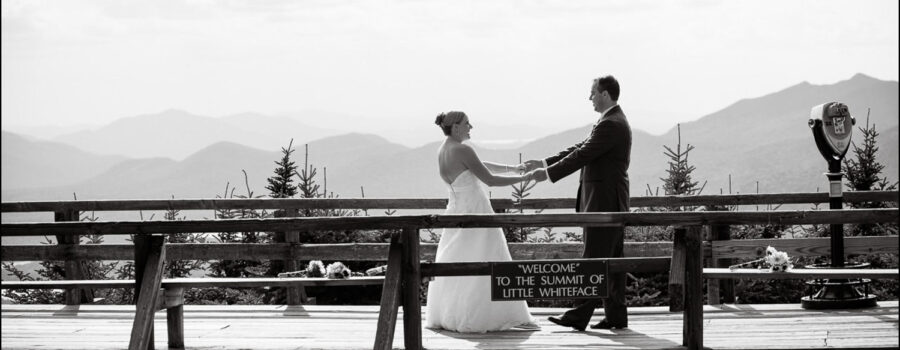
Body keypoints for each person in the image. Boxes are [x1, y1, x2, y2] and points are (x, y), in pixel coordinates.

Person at [523, 75, 632, 331]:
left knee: (593, 259)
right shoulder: (611, 120)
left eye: (593, 92)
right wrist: (544, 163)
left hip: (604, 203)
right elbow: (580, 147)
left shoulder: (612, 123)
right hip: (609, 201)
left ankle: (578, 316)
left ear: (605, 94)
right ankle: (616, 316)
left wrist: (548, 174)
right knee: (611, 260)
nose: (590, 97)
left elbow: (583, 154)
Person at [425, 111, 542, 333]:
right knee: (489, 257)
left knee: (459, 258)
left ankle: (453, 313)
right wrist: (526, 177)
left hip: (456, 210)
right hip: (476, 211)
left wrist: (511, 168)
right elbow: (490, 179)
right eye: (467, 124)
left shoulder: (444, 149)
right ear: (456, 127)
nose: (471, 127)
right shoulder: (463, 149)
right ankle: (486, 315)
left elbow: (478, 164)